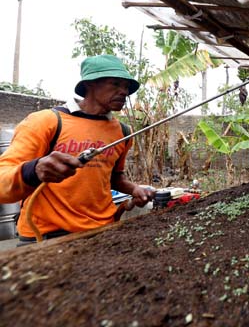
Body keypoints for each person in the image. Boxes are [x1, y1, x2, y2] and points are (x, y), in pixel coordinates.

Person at [0, 54, 155, 244]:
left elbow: (113, 177)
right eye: (115, 83)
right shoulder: (46, 122)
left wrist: (134, 189)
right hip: (46, 236)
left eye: (126, 87)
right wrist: (35, 169)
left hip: (103, 231)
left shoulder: (122, 132)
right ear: (89, 84)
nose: (124, 91)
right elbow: (2, 183)